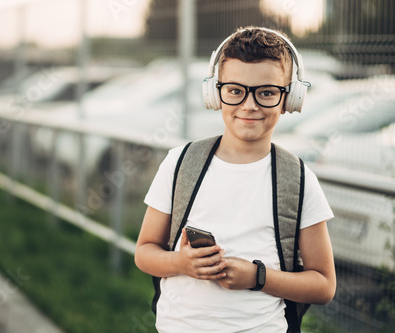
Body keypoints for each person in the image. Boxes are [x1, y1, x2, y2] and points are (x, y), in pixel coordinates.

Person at [134, 26, 336, 332]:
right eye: (235, 90)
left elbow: (323, 286)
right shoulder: (180, 164)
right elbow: (145, 251)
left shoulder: (298, 179)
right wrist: (183, 263)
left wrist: (258, 277)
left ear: (290, 98)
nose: (250, 105)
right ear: (215, 93)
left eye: (267, 92)